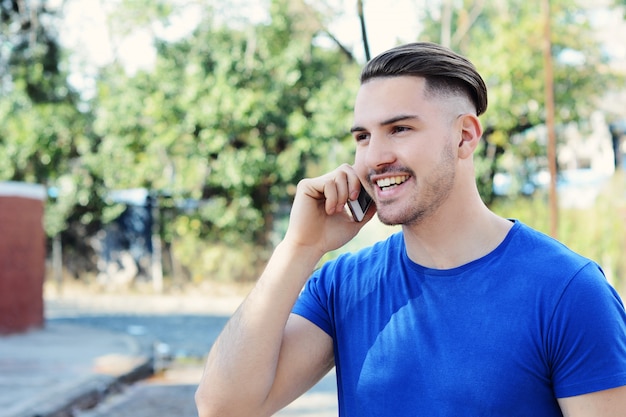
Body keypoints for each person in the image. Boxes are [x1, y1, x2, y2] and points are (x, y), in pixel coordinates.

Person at [195, 42, 626, 416]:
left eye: (399, 129)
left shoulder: (568, 291)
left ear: (464, 136)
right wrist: (299, 248)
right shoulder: (343, 285)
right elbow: (223, 408)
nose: (375, 157)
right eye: (363, 137)